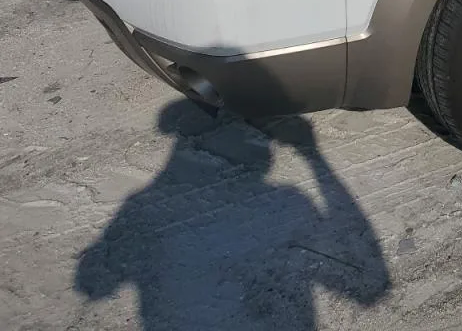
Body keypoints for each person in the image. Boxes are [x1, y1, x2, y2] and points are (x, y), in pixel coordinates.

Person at [75, 98, 390, 330]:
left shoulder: (139, 208)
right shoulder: (292, 202)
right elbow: (370, 285)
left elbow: (92, 284)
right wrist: (314, 157)